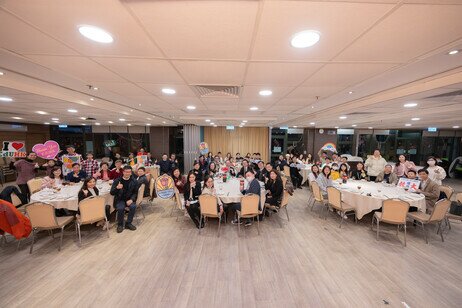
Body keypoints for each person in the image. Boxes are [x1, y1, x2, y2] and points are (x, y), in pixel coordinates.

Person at [110, 166, 138, 233]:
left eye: (129, 172)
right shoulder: (117, 180)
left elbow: (135, 193)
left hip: (129, 199)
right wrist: (117, 188)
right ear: (123, 172)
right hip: (120, 199)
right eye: (126, 172)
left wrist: (131, 199)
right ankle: (120, 225)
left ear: (131, 173)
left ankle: (128, 223)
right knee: (120, 208)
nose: (127, 173)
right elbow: (112, 192)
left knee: (133, 206)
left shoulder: (134, 181)